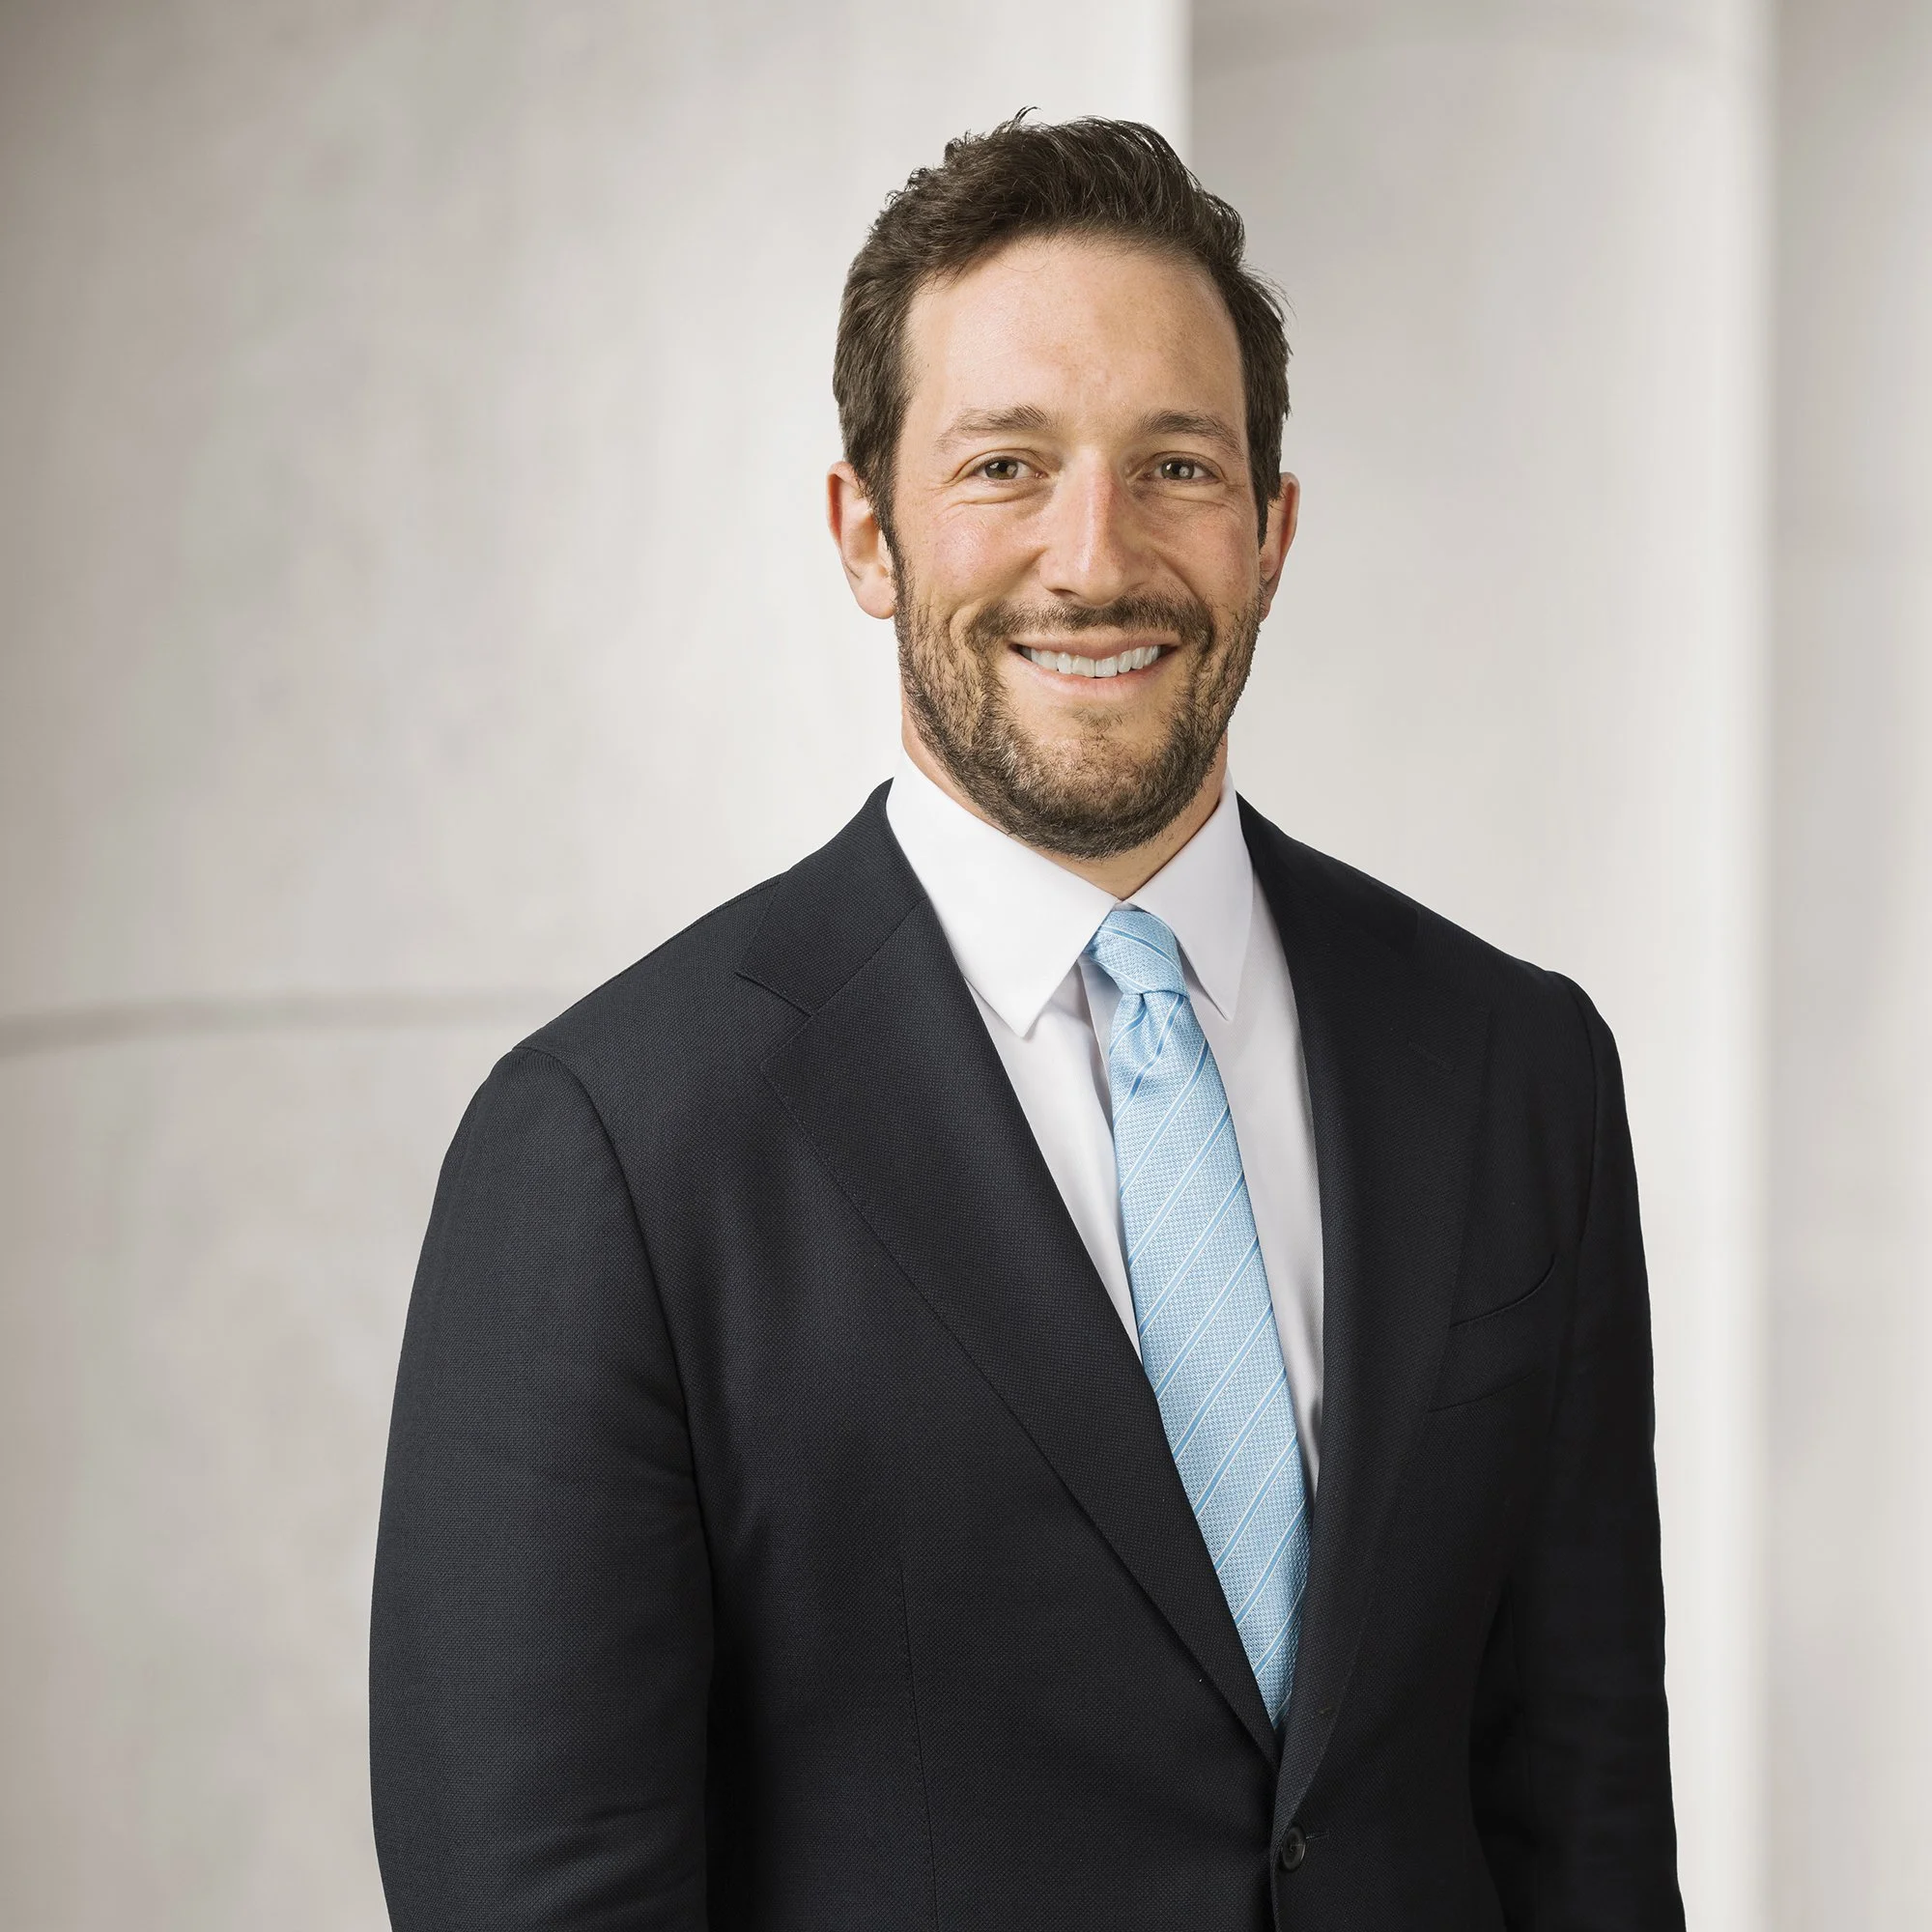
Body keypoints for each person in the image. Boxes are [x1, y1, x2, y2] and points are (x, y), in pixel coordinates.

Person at [369, 116, 1683, 1931]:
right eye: (1004, 463)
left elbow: (1586, 1814)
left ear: (1273, 529)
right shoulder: (612, 1146)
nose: (1095, 555)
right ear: (865, 531)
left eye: (1177, 465)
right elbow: (539, 1892)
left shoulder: (1516, 1069)